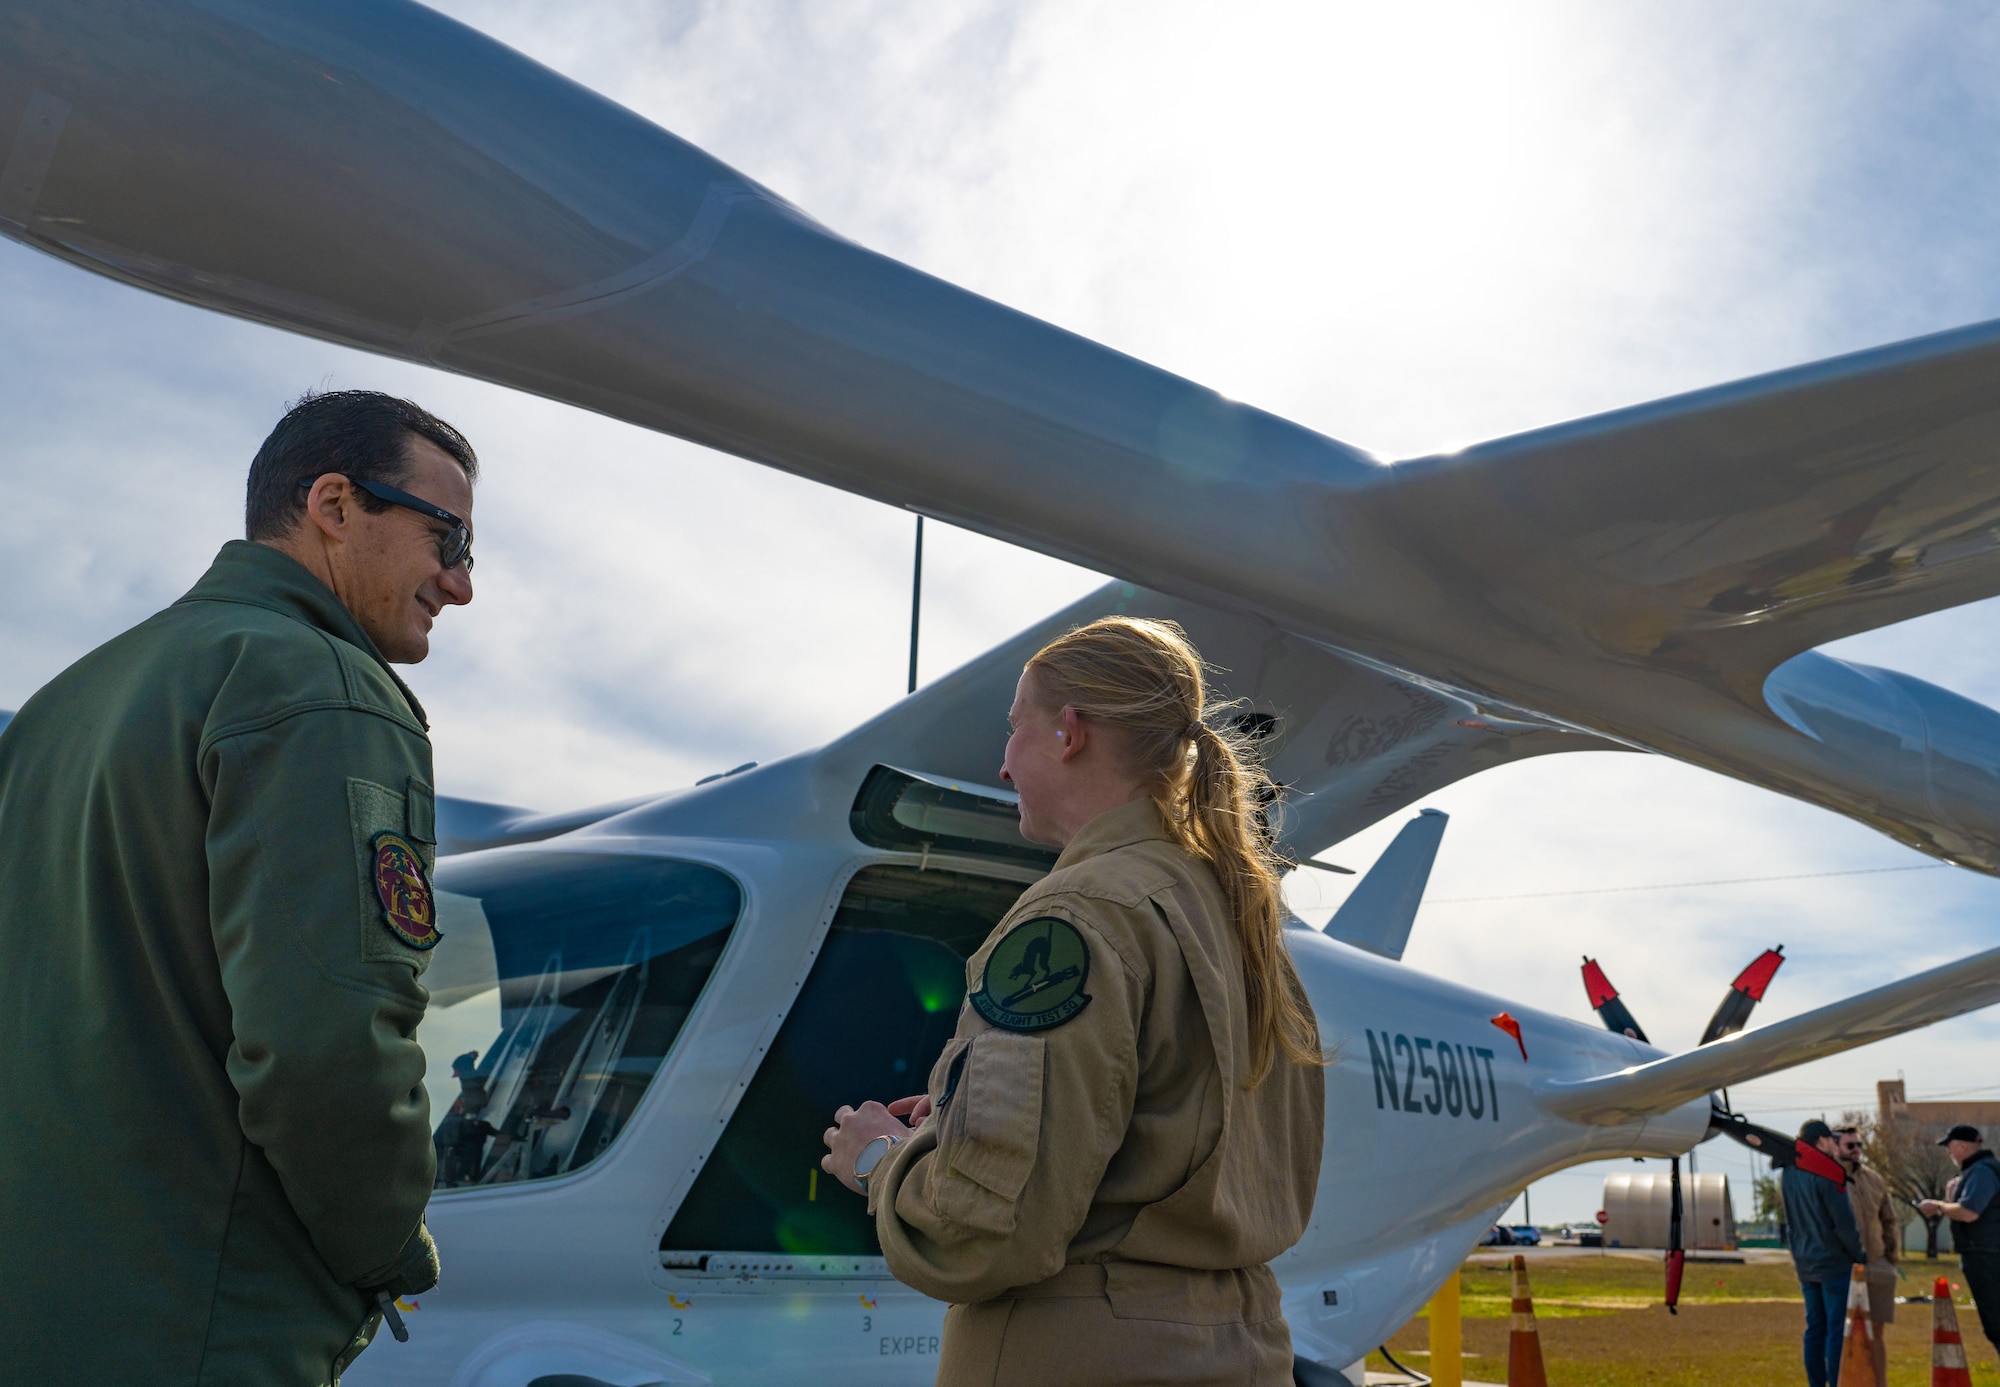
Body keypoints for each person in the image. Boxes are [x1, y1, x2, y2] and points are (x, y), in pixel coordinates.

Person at [0, 391, 478, 1386]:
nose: (462, 583)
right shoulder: (322, 689)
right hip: (191, 1322)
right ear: (336, 505)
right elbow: (325, 1045)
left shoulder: (62, 705)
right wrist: (386, 1251)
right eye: (447, 536)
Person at [821, 616, 1326, 1386]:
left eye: (1015, 729)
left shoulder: (1075, 917)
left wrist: (881, 1160)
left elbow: (985, 1232)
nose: (1000, 766)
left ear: (1069, 731)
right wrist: (962, 1130)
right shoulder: (1234, 913)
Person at [1784, 1118, 1867, 1387]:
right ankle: (1835, 1381)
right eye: (1831, 1140)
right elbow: (1843, 1223)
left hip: (1805, 1261)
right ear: (1821, 1141)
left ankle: (1816, 1382)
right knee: (1835, 1330)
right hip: (1833, 1262)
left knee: (1814, 1328)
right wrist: (1859, 1253)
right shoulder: (1827, 1171)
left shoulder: (1789, 1172)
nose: (1834, 1144)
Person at [1922, 1124, 2000, 1358]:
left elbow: (1969, 1212)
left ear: (1963, 1145)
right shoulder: (1979, 1171)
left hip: (1987, 1256)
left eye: (1950, 1146)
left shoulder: (1981, 1171)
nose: (1948, 1152)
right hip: (1987, 1254)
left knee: (1996, 1325)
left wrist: (1938, 1206)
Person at [1836, 1126, 1899, 1387]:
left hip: (1877, 1264)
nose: (1856, 1150)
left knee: (1878, 1333)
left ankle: (1879, 1383)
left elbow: (1888, 1219)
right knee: (1845, 1334)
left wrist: (1890, 1258)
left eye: (1858, 1145)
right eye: (1850, 1145)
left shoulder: (1874, 1179)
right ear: (1835, 1146)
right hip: (1845, 1269)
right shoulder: (1829, 1179)